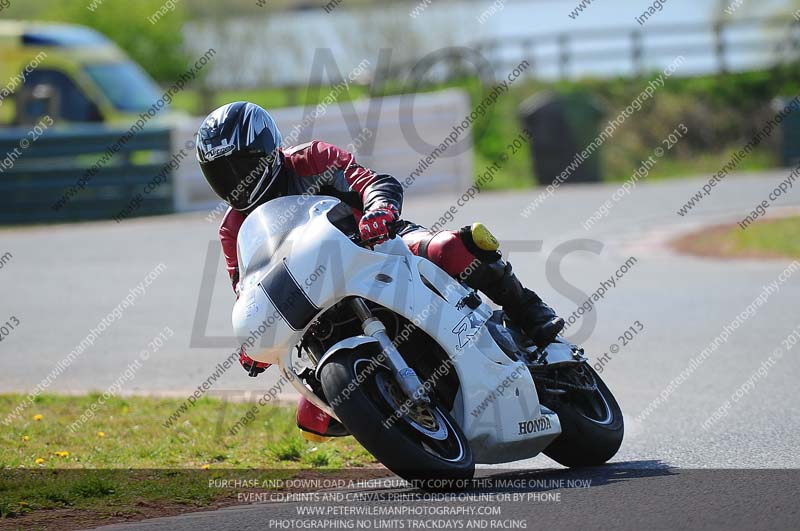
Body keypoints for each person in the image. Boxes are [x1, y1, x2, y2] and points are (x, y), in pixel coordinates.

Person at [196, 101, 564, 439]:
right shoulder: (233, 228)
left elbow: (372, 182)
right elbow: (246, 288)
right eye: (220, 173)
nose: (233, 180)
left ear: (268, 152)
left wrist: (379, 210)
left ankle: (527, 311)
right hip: (317, 302)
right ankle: (394, 414)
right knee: (313, 419)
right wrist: (254, 337)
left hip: (377, 246)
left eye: (241, 166)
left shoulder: (311, 159)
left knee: (449, 248)